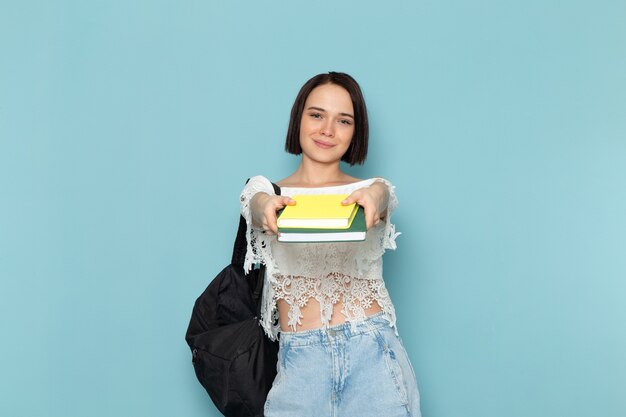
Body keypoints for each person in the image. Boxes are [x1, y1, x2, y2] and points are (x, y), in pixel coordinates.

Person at [239, 72, 421, 417]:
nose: (327, 130)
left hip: (372, 356)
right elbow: (256, 204)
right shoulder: (266, 190)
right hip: (299, 365)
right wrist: (264, 206)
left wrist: (376, 197)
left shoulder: (371, 189)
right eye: (317, 115)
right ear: (299, 119)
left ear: (356, 132)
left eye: (344, 121)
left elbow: (382, 198)